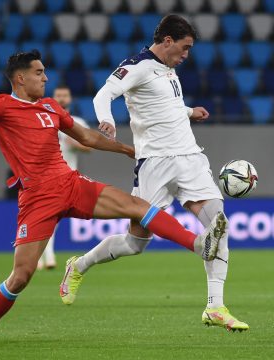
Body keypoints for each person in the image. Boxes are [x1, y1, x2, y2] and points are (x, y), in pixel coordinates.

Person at [0, 49, 228, 348]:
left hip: (69, 183)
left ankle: (197, 244)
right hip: (37, 198)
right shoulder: (2, 105)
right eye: (39, 72)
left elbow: (85, 136)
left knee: (139, 207)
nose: (45, 77)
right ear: (20, 78)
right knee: (21, 276)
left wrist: (127, 149)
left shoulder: (50, 107)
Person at [59, 15, 249, 332]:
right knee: (135, 243)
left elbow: (167, 106)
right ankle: (79, 265)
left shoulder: (169, 69)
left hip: (189, 157)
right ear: (167, 42)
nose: (187, 54)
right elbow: (102, 95)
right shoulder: (137, 66)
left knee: (218, 225)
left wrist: (190, 112)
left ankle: (215, 307)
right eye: (185, 47)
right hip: (154, 164)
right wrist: (105, 120)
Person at [37, 85, 91, 270]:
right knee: (50, 218)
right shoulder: (43, 120)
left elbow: (89, 146)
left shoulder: (77, 122)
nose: (61, 98)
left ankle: (39, 257)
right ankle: (47, 257)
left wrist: (74, 143)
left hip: (68, 177)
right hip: (46, 177)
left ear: (70, 98)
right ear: (53, 97)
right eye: (58, 95)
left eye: (64, 95)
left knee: (50, 219)